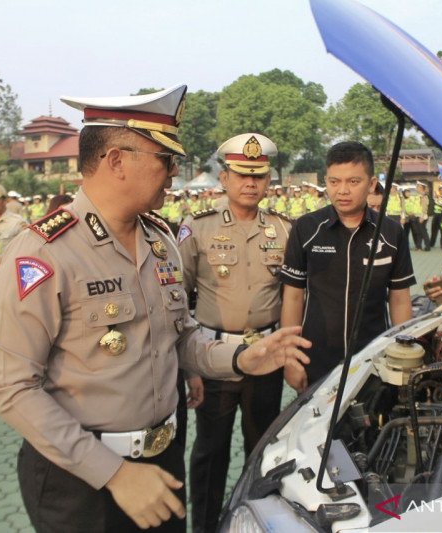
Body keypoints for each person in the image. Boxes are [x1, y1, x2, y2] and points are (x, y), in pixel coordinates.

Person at [0, 85, 311, 533]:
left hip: (163, 460)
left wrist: (240, 357)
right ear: (117, 160)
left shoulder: (160, 241)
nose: (175, 173)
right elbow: (13, 389)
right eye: (165, 159)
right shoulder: (43, 254)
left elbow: (179, 338)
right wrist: (114, 474)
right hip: (82, 481)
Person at [177, 133, 292, 533]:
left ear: (268, 181)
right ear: (223, 179)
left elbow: (295, 295)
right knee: (211, 450)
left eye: (258, 176)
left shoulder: (283, 228)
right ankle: (206, 526)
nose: (250, 183)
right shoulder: (197, 229)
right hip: (214, 358)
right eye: (241, 175)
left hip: (266, 357)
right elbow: (179, 298)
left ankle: (255, 523)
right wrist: (188, 366)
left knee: (262, 449)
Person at [280, 141, 415, 392]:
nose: (342, 190)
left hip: (374, 358)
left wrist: (402, 356)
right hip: (316, 358)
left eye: (353, 182)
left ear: (371, 184)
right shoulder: (306, 228)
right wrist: (290, 357)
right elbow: (294, 297)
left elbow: (399, 299)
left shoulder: (391, 232)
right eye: (334, 181)